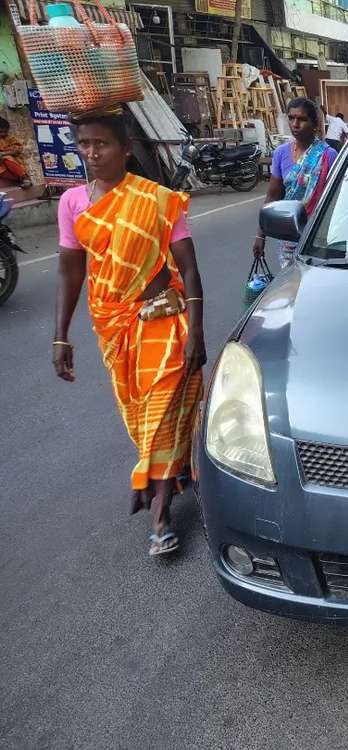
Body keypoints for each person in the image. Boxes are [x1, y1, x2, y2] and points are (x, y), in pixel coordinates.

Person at [52, 109, 206, 556]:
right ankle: (170, 475)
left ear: (125, 148)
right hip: (113, 327)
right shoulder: (73, 204)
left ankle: (160, 517)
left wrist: (196, 331)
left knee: (159, 414)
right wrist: (61, 335)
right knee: (142, 421)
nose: (92, 153)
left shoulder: (157, 199)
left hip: (163, 320)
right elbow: (69, 273)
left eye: (102, 144)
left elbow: (189, 270)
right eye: (84, 144)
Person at [252, 97, 337, 267]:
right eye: (291, 118)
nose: (295, 124)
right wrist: (260, 236)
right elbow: (273, 196)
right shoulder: (281, 153)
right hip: (288, 238)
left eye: (302, 119)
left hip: (318, 237)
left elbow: (334, 202)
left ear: (314, 123)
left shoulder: (328, 155)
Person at [0, 117, 32, 189]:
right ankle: (20, 179)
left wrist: (3, 154)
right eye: (1, 132)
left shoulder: (9, 138)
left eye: (5, 132)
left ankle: (24, 178)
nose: (3, 134)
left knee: (7, 158)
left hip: (10, 162)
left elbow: (17, 149)